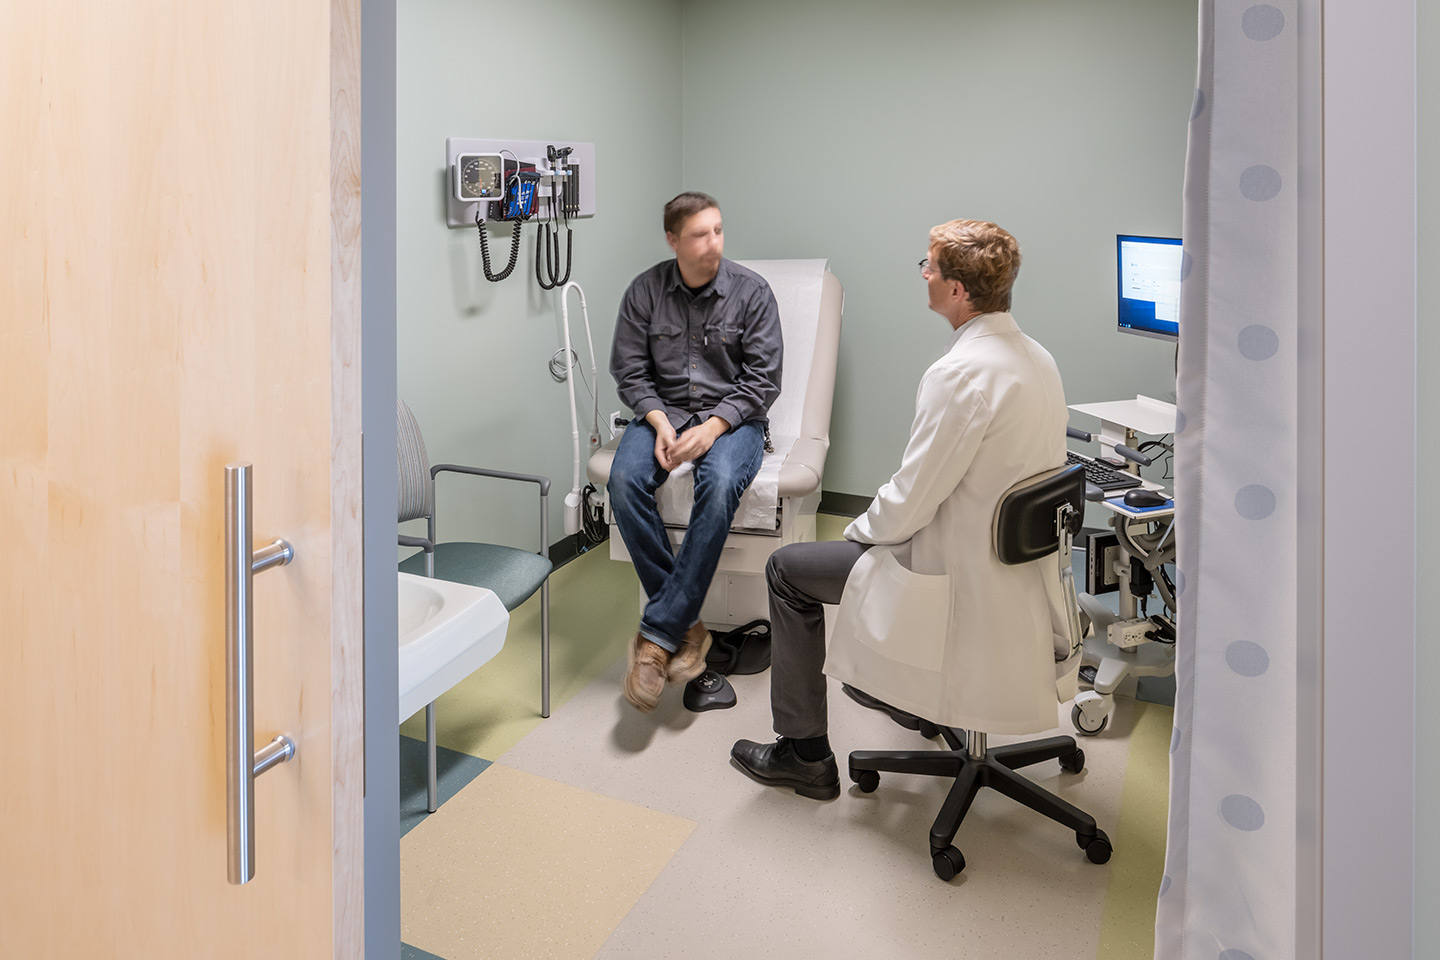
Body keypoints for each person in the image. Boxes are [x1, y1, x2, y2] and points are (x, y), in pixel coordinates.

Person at [730, 219, 1068, 800]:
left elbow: (912, 497)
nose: (924, 275)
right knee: (858, 563)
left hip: (956, 569)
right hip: (1011, 571)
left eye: (930, 267)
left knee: (787, 570)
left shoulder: (959, 374)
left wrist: (859, 533)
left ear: (958, 291)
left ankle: (802, 754)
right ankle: (918, 704)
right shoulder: (1037, 358)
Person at [608, 192, 783, 712]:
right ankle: (691, 628)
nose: (714, 244)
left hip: (734, 419)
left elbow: (763, 380)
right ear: (672, 241)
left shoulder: (752, 293)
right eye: (700, 234)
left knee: (721, 481)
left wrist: (711, 429)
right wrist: (660, 423)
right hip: (663, 413)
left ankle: (659, 635)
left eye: (719, 231)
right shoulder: (644, 292)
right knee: (622, 481)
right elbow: (630, 372)